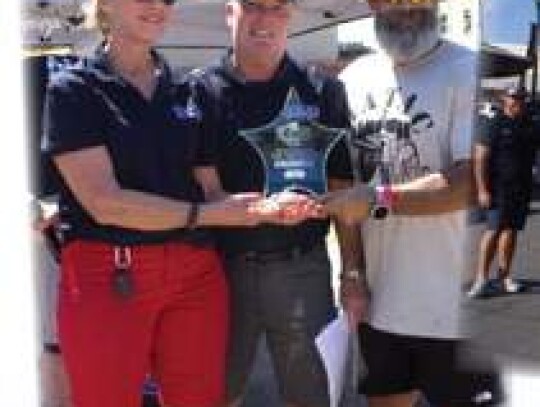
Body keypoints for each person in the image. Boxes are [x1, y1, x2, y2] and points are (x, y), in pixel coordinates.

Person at [40, 0, 299, 406]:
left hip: (195, 272)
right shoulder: (74, 90)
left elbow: (210, 190)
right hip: (109, 273)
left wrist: (268, 207)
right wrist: (207, 214)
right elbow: (104, 202)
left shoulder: (189, 91)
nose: (156, 6)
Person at [188, 1, 365, 406]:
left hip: (304, 268)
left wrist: (352, 271)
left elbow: (342, 186)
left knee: (311, 396)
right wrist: (260, 209)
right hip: (221, 271)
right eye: (251, 5)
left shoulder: (322, 90)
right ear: (228, 12)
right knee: (212, 393)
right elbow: (206, 191)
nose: (265, 19)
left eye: (278, 7)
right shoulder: (200, 91)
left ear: (292, 16)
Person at [323, 0, 500, 405]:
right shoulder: (351, 79)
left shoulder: (466, 69)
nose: (405, 4)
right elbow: (342, 183)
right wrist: (351, 273)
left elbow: (466, 183)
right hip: (381, 303)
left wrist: (378, 200)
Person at [468, 87, 540, 298]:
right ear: (504, 99)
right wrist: (482, 189)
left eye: (520, 98)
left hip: (521, 187)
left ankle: (504, 276)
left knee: (511, 230)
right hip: (497, 187)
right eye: (513, 97)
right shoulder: (493, 122)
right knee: (493, 229)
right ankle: (481, 279)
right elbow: (480, 157)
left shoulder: (529, 123)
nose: (517, 101)